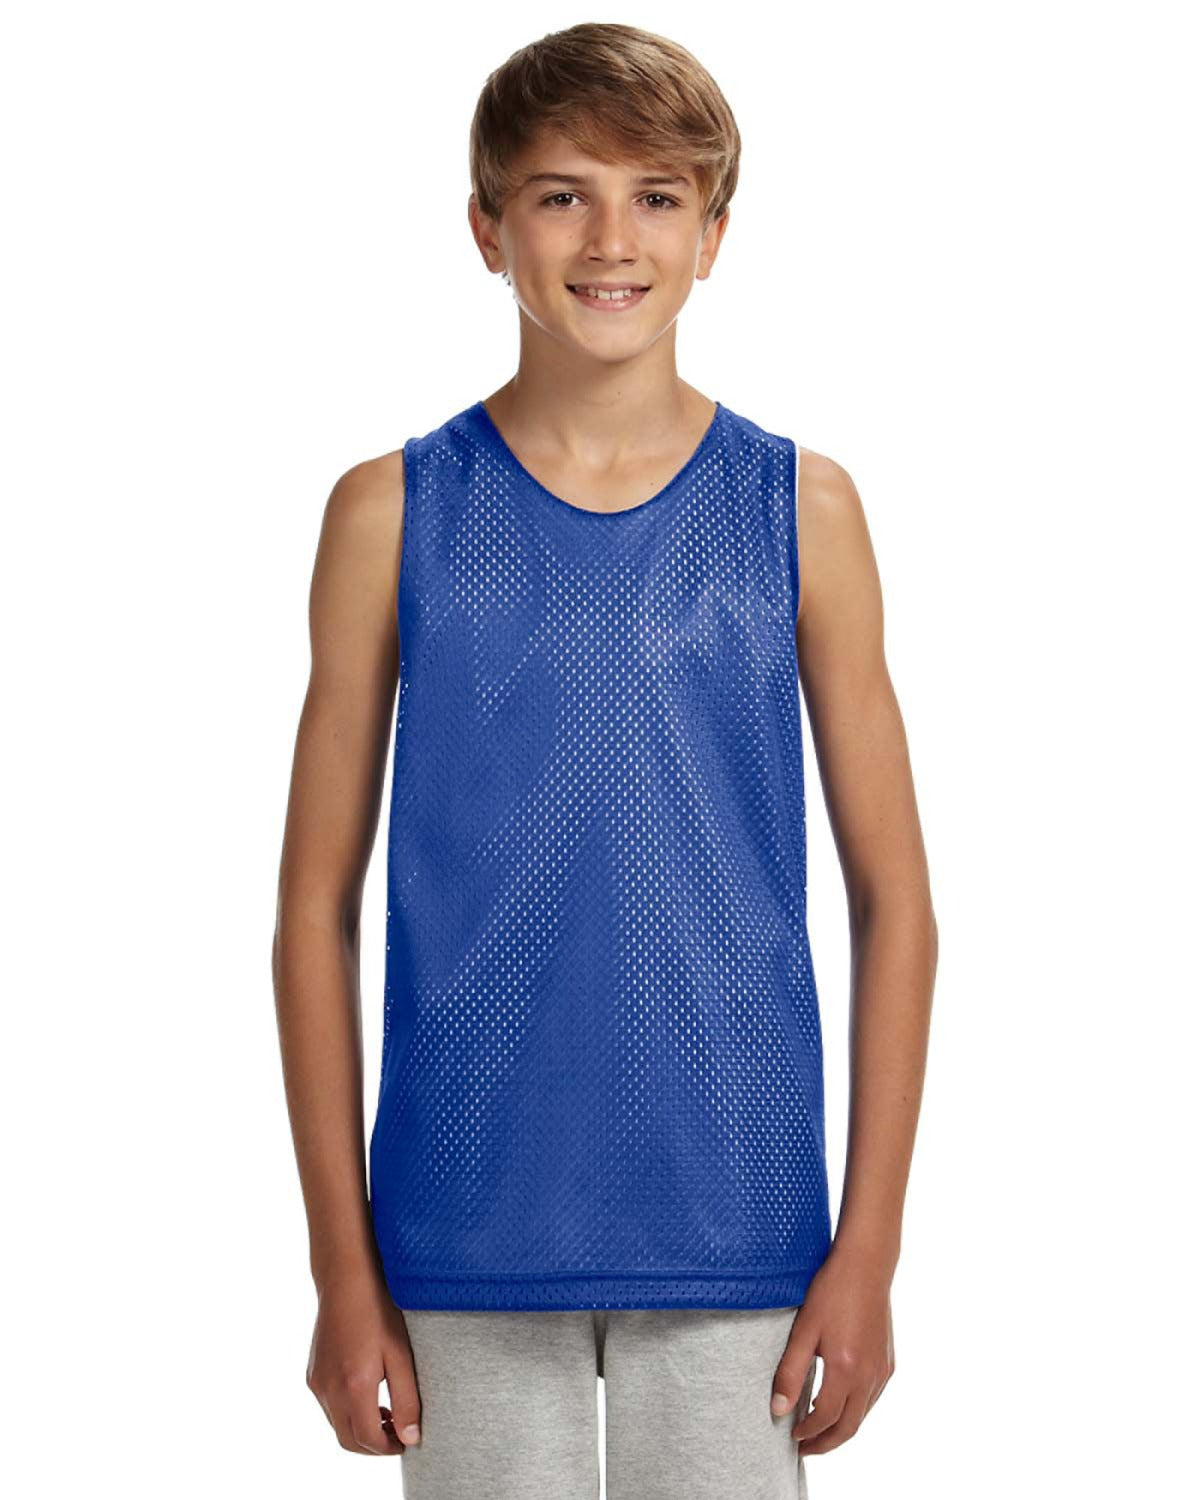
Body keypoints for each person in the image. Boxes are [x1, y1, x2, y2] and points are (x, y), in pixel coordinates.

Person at [272, 21, 936, 1499]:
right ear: (486, 229)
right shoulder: (390, 514)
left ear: (715, 234)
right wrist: (340, 1266)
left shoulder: (801, 510)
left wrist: (871, 1250)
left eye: (657, 196)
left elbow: (898, 903)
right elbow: (312, 910)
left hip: (734, 1213)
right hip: (462, 1216)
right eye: (562, 194)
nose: (611, 239)